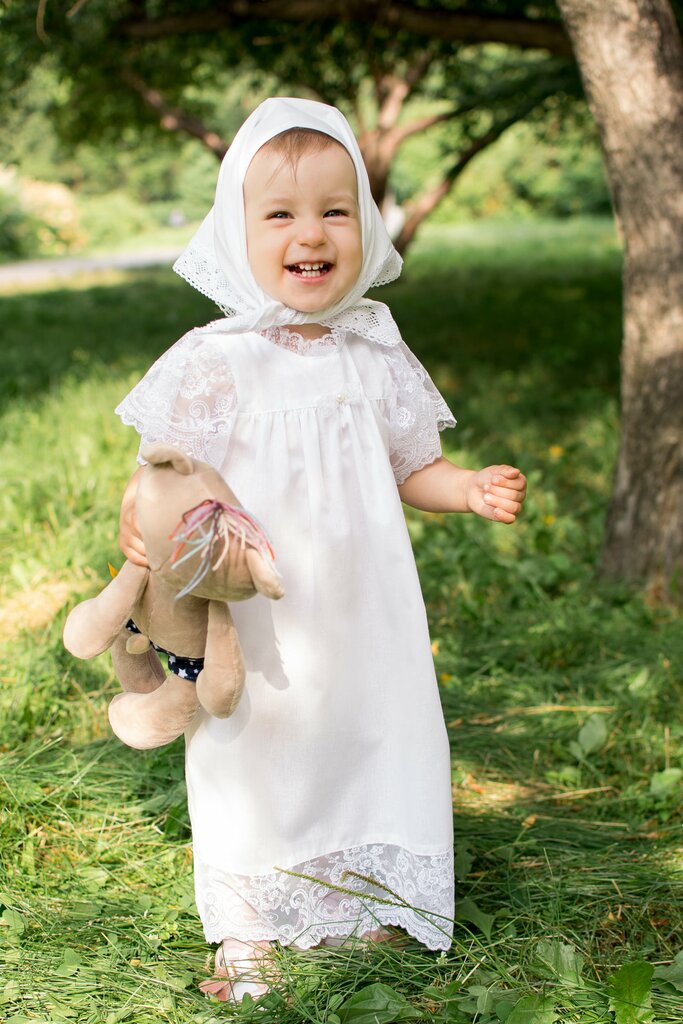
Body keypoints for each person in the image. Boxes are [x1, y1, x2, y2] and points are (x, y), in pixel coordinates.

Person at [116, 97, 527, 1003]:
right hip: (257, 608)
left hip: (363, 604)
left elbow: (412, 463)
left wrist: (464, 487)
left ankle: (363, 891)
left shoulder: (371, 350)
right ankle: (249, 925)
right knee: (250, 742)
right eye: (280, 214)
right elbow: (163, 470)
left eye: (335, 210)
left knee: (370, 728)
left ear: (366, 224)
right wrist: (138, 525)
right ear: (237, 233)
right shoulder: (216, 359)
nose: (311, 233)